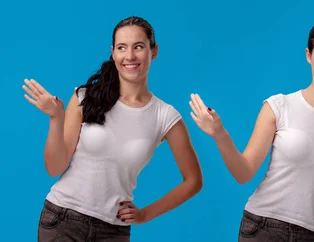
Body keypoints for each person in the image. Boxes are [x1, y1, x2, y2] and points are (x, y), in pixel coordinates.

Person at [189, 19, 314, 241]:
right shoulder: (279, 107)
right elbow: (244, 173)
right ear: (308, 55)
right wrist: (220, 134)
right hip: (263, 227)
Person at [23, 16, 203, 242]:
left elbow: (194, 180)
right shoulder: (85, 97)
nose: (129, 56)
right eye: (121, 48)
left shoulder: (165, 116)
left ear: (153, 51)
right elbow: (54, 167)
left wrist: (144, 214)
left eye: (138, 47)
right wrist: (56, 118)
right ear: (113, 52)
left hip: (113, 231)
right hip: (62, 219)